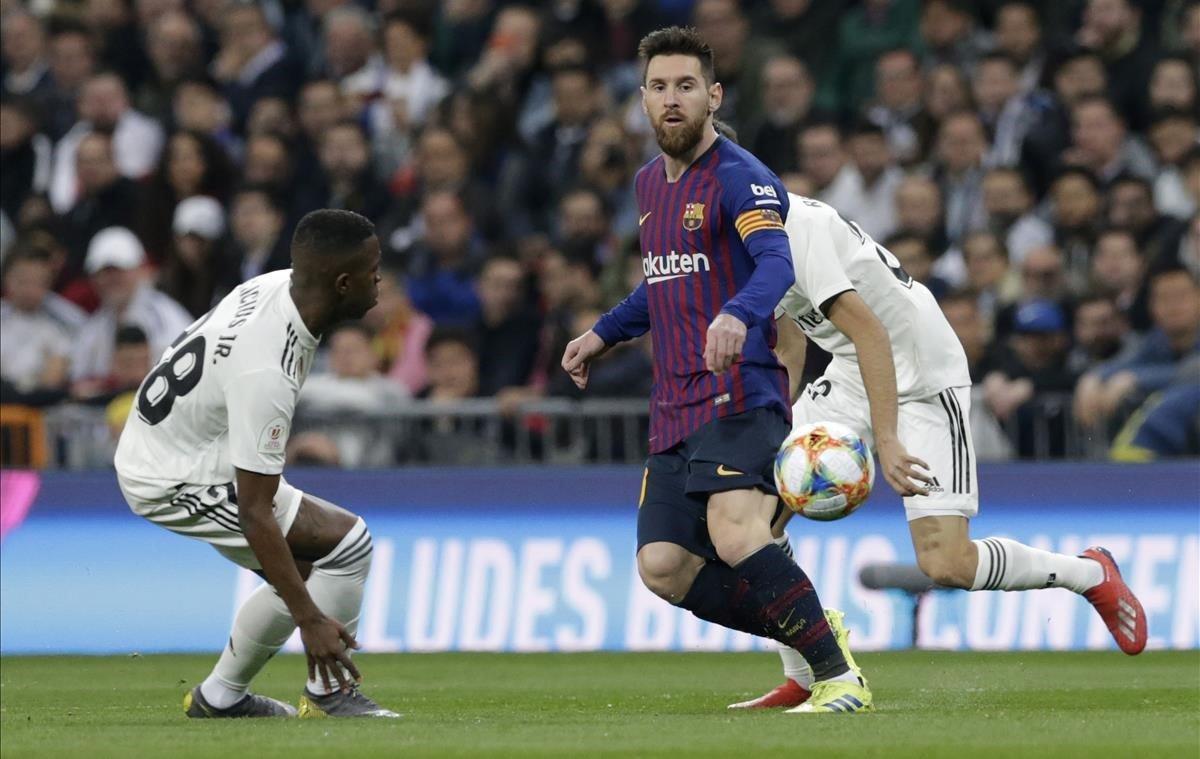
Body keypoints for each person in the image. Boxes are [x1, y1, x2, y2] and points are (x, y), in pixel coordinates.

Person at [731, 191, 1147, 709]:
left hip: (921, 375)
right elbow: (789, 337)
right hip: (851, 369)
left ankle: (1089, 573)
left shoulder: (799, 228)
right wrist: (778, 423)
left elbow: (873, 333)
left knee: (946, 563)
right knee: (750, 520)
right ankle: (807, 669)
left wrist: (886, 440)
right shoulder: (742, 233)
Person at [561, 27, 867, 716]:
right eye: (660, 87)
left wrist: (737, 315)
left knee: (735, 535)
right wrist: (600, 333)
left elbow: (777, 265)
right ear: (641, 100)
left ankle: (838, 678)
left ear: (713, 95)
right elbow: (663, 287)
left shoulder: (741, 176)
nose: (673, 100)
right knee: (663, 568)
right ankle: (818, 635)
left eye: (687, 86)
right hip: (673, 407)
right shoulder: (647, 185)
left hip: (740, 394)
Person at [113, 209, 398, 719]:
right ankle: (327, 693)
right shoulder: (267, 367)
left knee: (326, 560)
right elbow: (254, 511)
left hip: (191, 440)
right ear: (341, 282)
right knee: (333, 556)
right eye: (373, 267)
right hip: (175, 474)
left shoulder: (275, 286)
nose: (380, 277)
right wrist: (311, 621)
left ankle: (221, 699)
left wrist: (308, 601)